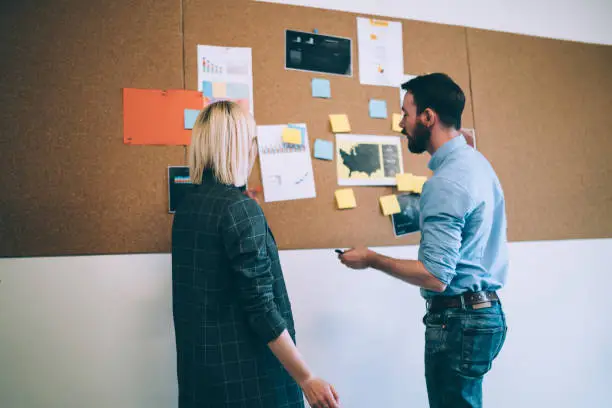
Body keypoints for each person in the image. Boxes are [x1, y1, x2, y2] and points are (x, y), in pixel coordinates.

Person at [338, 73, 508, 408]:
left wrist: (371, 259)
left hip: (459, 321)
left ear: (428, 117)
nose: (402, 124)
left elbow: (434, 275)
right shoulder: (477, 164)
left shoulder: (445, 182)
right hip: (484, 314)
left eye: (406, 113)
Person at [172, 100, 340, 408]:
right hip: (249, 384)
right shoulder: (240, 209)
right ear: (242, 147)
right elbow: (261, 306)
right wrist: (306, 377)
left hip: (202, 380)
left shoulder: (187, 207)